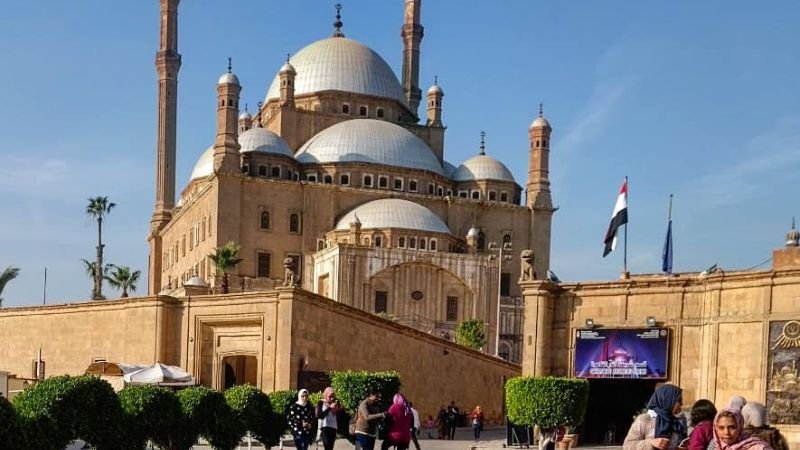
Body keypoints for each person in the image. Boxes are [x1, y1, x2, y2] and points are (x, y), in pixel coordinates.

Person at [623, 384, 687, 450]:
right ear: (668, 398)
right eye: (679, 400)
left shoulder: (676, 424)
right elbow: (627, 446)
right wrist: (651, 443)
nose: (682, 404)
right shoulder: (645, 419)